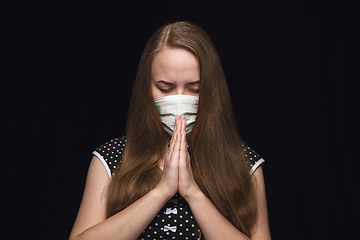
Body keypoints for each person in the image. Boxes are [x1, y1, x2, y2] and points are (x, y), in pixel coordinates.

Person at [69, 21, 271, 240]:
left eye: (194, 89)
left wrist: (192, 193)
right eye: (166, 88)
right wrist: (162, 191)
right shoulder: (111, 158)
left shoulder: (243, 162)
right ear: (146, 87)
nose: (179, 100)